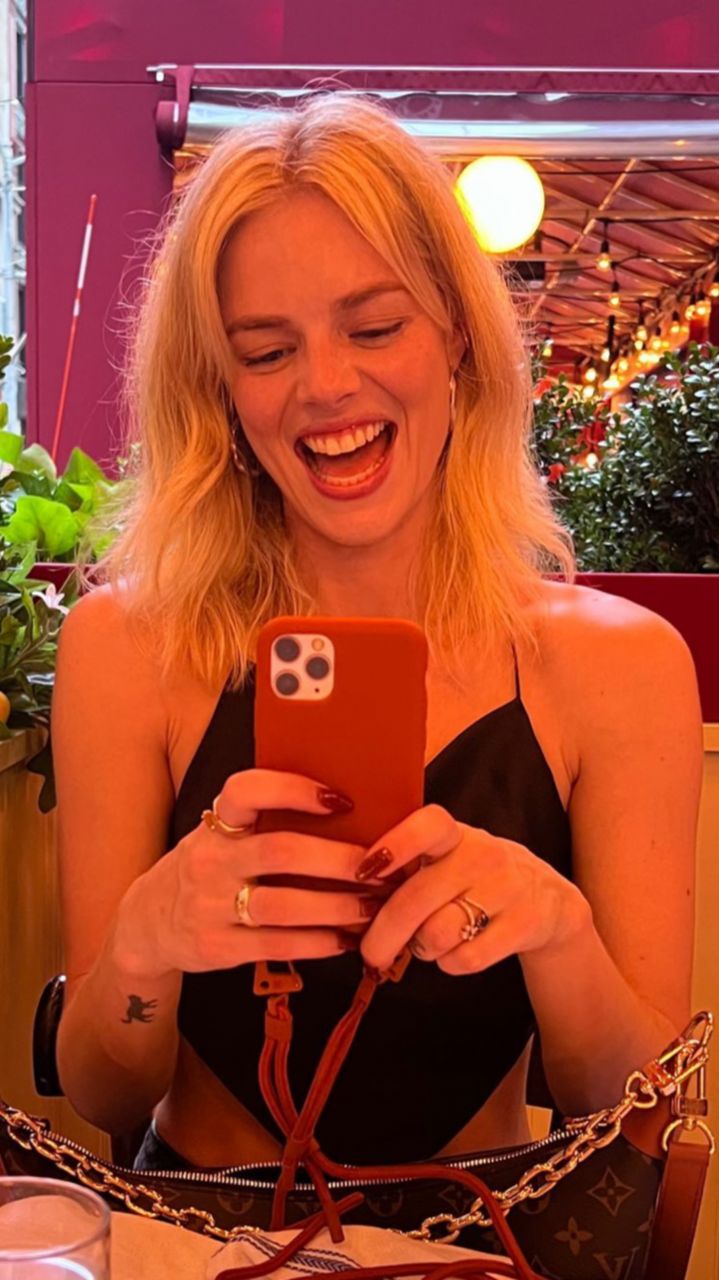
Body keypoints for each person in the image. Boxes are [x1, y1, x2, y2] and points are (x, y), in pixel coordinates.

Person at [53, 94, 702, 1172]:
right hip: (197, 1228)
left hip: (479, 1231)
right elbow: (100, 1088)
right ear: (220, 390)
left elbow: (635, 1113)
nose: (325, 386)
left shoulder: (620, 666)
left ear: (456, 333)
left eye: (373, 327)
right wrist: (142, 946)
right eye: (267, 351)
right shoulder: (124, 648)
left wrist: (558, 932)